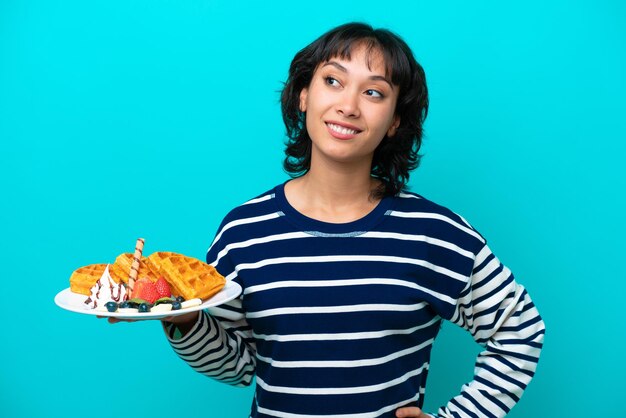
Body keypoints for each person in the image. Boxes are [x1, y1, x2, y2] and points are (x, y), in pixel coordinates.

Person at [159, 22, 545, 418]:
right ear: (304, 95)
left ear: (395, 120)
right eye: (333, 81)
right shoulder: (243, 232)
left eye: (374, 92)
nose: (349, 105)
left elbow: (521, 329)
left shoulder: (434, 233)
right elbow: (237, 367)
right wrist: (183, 319)